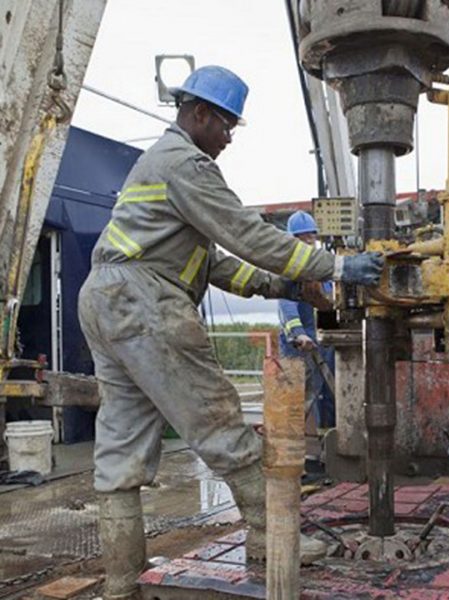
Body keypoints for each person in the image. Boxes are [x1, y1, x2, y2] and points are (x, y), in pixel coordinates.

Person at [78, 65, 384, 600]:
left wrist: (284, 288)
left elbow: (217, 265)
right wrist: (331, 269)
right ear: (200, 115)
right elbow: (245, 235)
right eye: (226, 126)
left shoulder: (159, 167)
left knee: (120, 450)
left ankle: (123, 583)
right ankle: (272, 539)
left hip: (107, 300)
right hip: (144, 301)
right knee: (219, 420)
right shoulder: (186, 164)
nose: (228, 139)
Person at [278, 211, 336, 431]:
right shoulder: (288, 268)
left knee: (326, 395)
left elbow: (330, 300)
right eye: (302, 238)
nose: (308, 242)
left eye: (311, 237)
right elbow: (286, 303)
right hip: (298, 345)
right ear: (292, 240)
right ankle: (285, 448)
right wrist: (298, 333)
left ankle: (326, 445)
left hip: (322, 342)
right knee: (295, 398)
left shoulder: (321, 267)